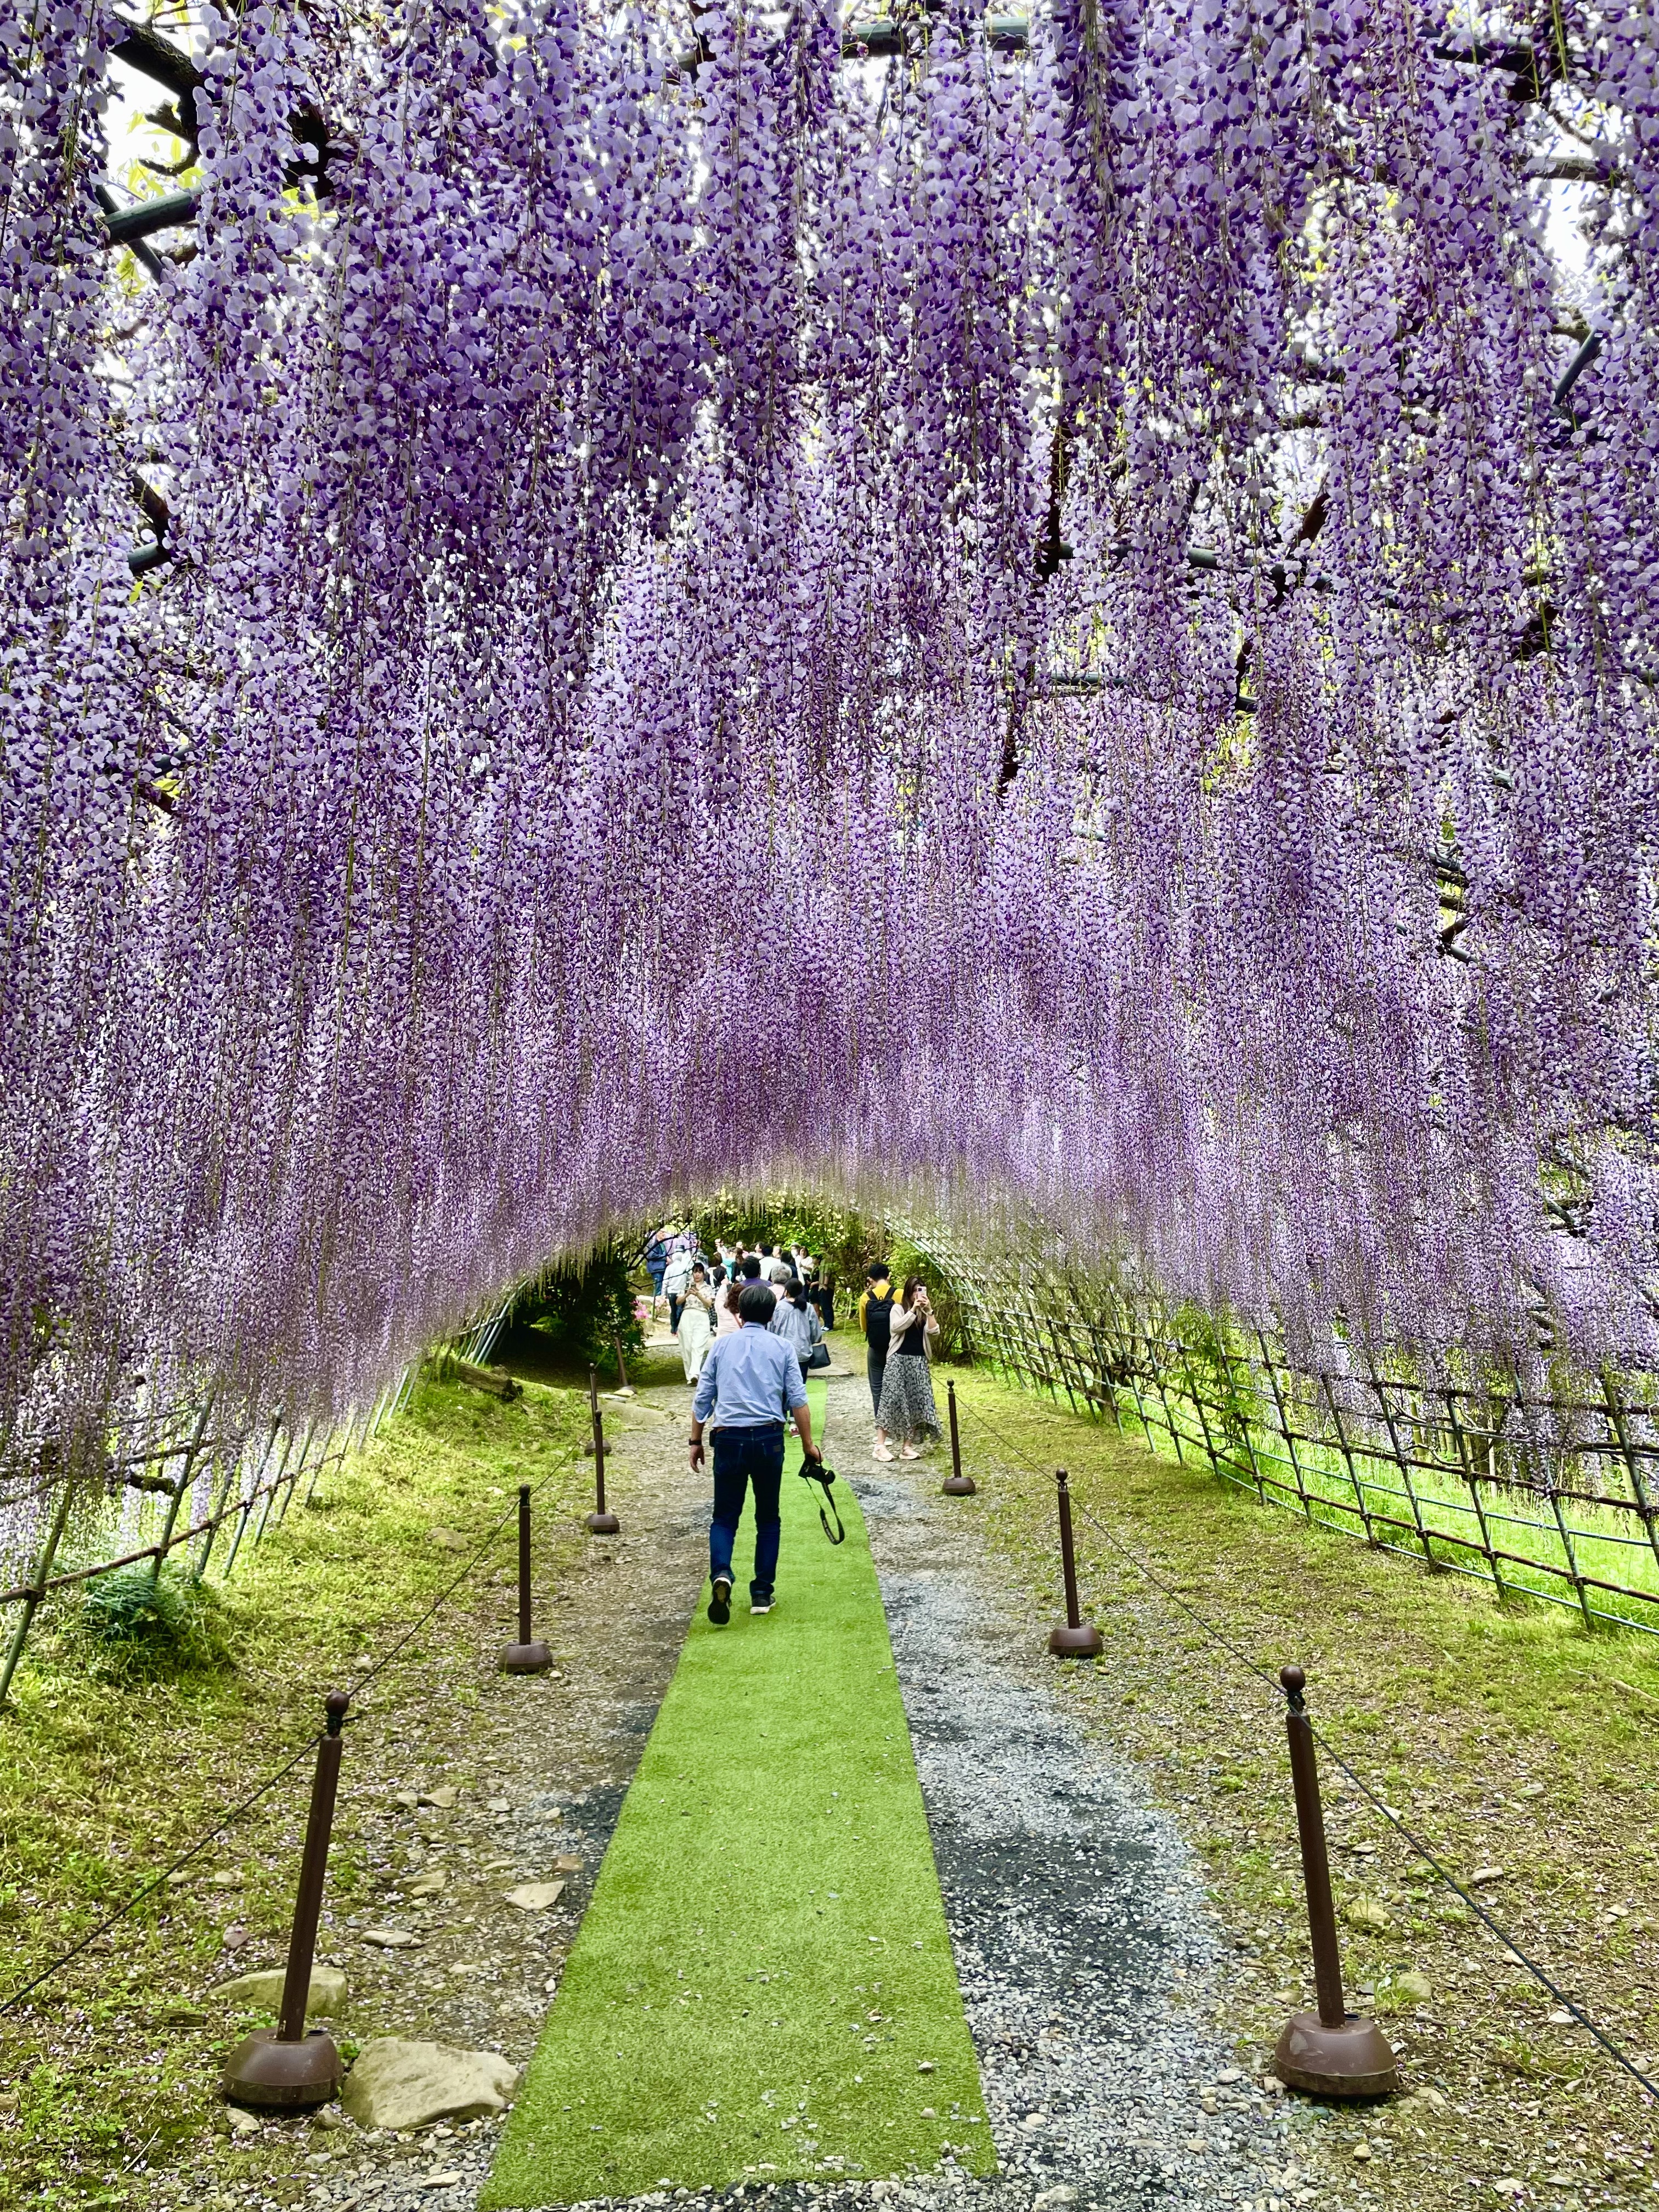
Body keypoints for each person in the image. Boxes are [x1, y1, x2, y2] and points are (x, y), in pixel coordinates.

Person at [690, 1283, 822, 1623]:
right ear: (771, 1314)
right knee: (767, 1517)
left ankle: (722, 1572)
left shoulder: (721, 1347)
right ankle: (762, 1592)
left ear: (740, 1312)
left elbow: (703, 1398)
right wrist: (809, 1445)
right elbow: (798, 1400)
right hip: (768, 1439)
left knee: (724, 1517)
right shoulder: (782, 1348)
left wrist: (695, 1442)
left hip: (729, 1439)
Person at [874, 1278, 942, 1462]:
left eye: (920, 1291)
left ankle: (907, 1446)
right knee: (891, 1402)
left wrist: (929, 1312)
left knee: (916, 1403)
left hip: (919, 1362)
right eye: (914, 1291)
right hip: (898, 1361)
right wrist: (912, 1310)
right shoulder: (898, 1309)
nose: (917, 1295)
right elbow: (896, 1328)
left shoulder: (924, 1312)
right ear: (908, 1293)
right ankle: (880, 1446)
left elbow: (934, 1332)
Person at [860, 1262, 895, 1420]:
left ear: (870, 1279)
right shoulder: (900, 1294)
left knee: (877, 1388)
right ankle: (899, 1425)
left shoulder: (865, 1297)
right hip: (897, 1347)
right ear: (889, 1277)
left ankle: (882, 1426)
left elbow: (864, 1327)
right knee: (897, 1387)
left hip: (875, 1348)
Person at [769, 1276, 826, 1374]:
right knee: (800, 1385)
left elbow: (771, 1330)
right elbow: (816, 1335)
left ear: (786, 1292)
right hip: (803, 1353)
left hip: (782, 1353)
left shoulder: (778, 1307)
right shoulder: (808, 1307)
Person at [678, 1262, 716, 1383]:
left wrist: (698, 1294)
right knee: (687, 1347)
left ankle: (695, 1373)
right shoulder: (686, 1286)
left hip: (702, 1315)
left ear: (703, 1274)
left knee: (697, 1346)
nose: (697, 1274)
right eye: (695, 1272)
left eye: (700, 1272)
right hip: (687, 1315)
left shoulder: (708, 1288)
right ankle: (689, 1375)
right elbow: (678, 1302)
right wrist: (687, 1293)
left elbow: (709, 1304)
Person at [663, 1239, 695, 1333]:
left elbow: (665, 1281)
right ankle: (678, 1327)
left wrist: (663, 1293)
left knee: (673, 1310)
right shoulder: (684, 1268)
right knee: (680, 1310)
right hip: (681, 1292)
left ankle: (674, 1328)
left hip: (671, 1292)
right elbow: (689, 1279)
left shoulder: (669, 1268)